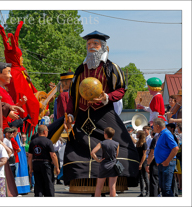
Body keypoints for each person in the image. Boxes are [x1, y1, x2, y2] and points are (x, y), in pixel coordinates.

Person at [49, 31, 139, 188]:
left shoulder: (112, 68)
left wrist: (107, 97)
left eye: (95, 44)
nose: (91, 47)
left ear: (103, 47)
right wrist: (70, 113)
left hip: (104, 114)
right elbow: (72, 96)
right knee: (75, 146)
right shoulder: (80, 70)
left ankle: (116, 184)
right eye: (89, 44)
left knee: (124, 144)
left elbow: (120, 90)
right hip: (83, 115)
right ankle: (81, 183)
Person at [0, 21, 40, 128]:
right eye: (20, 56)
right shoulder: (16, 73)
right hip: (11, 121)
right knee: (35, 104)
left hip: (11, 111)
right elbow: (21, 95)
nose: (22, 58)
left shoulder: (18, 71)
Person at [0, 62, 27, 130]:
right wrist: (8, 112)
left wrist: (19, 104)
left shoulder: (3, 90)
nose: (11, 76)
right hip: (3, 128)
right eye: (8, 72)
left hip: (10, 128)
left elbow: (8, 107)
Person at [28, 125, 60, 197]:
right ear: (45, 132)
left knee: (38, 183)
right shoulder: (48, 141)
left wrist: (30, 168)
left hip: (36, 163)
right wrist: (57, 167)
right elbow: (53, 155)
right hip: (46, 164)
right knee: (48, 183)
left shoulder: (32, 142)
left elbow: (30, 156)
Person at [153, 118, 179, 197]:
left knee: (166, 189)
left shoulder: (166, 134)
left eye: (153, 126)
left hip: (167, 164)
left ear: (157, 126)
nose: (152, 128)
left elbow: (175, 148)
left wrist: (167, 161)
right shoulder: (162, 134)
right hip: (163, 164)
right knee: (164, 188)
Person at [91, 127, 119, 197]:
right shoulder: (117, 144)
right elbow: (116, 156)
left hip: (104, 166)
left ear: (105, 134)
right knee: (112, 187)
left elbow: (92, 153)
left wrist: (98, 160)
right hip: (113, 166)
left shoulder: (102, 143)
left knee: (99, 187)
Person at [145, 132, 160, 197]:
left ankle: (154, 195)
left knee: (154, 181)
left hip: (154, 162)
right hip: (161, 161)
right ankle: (158, 194)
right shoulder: (163, 138)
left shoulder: (155, 139)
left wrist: (148, 164)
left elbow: (152, 153)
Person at [135, 130, 149, 197]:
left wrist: (141, 164)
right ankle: (142, 192)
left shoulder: (144, 144)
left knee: (145, 177)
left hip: (143, 162)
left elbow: (144, 155)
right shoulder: (138, 143)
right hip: (138, 161)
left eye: (137, 133)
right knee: (140, 178)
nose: (136, 134)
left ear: (140, 135)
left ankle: (148, 192)